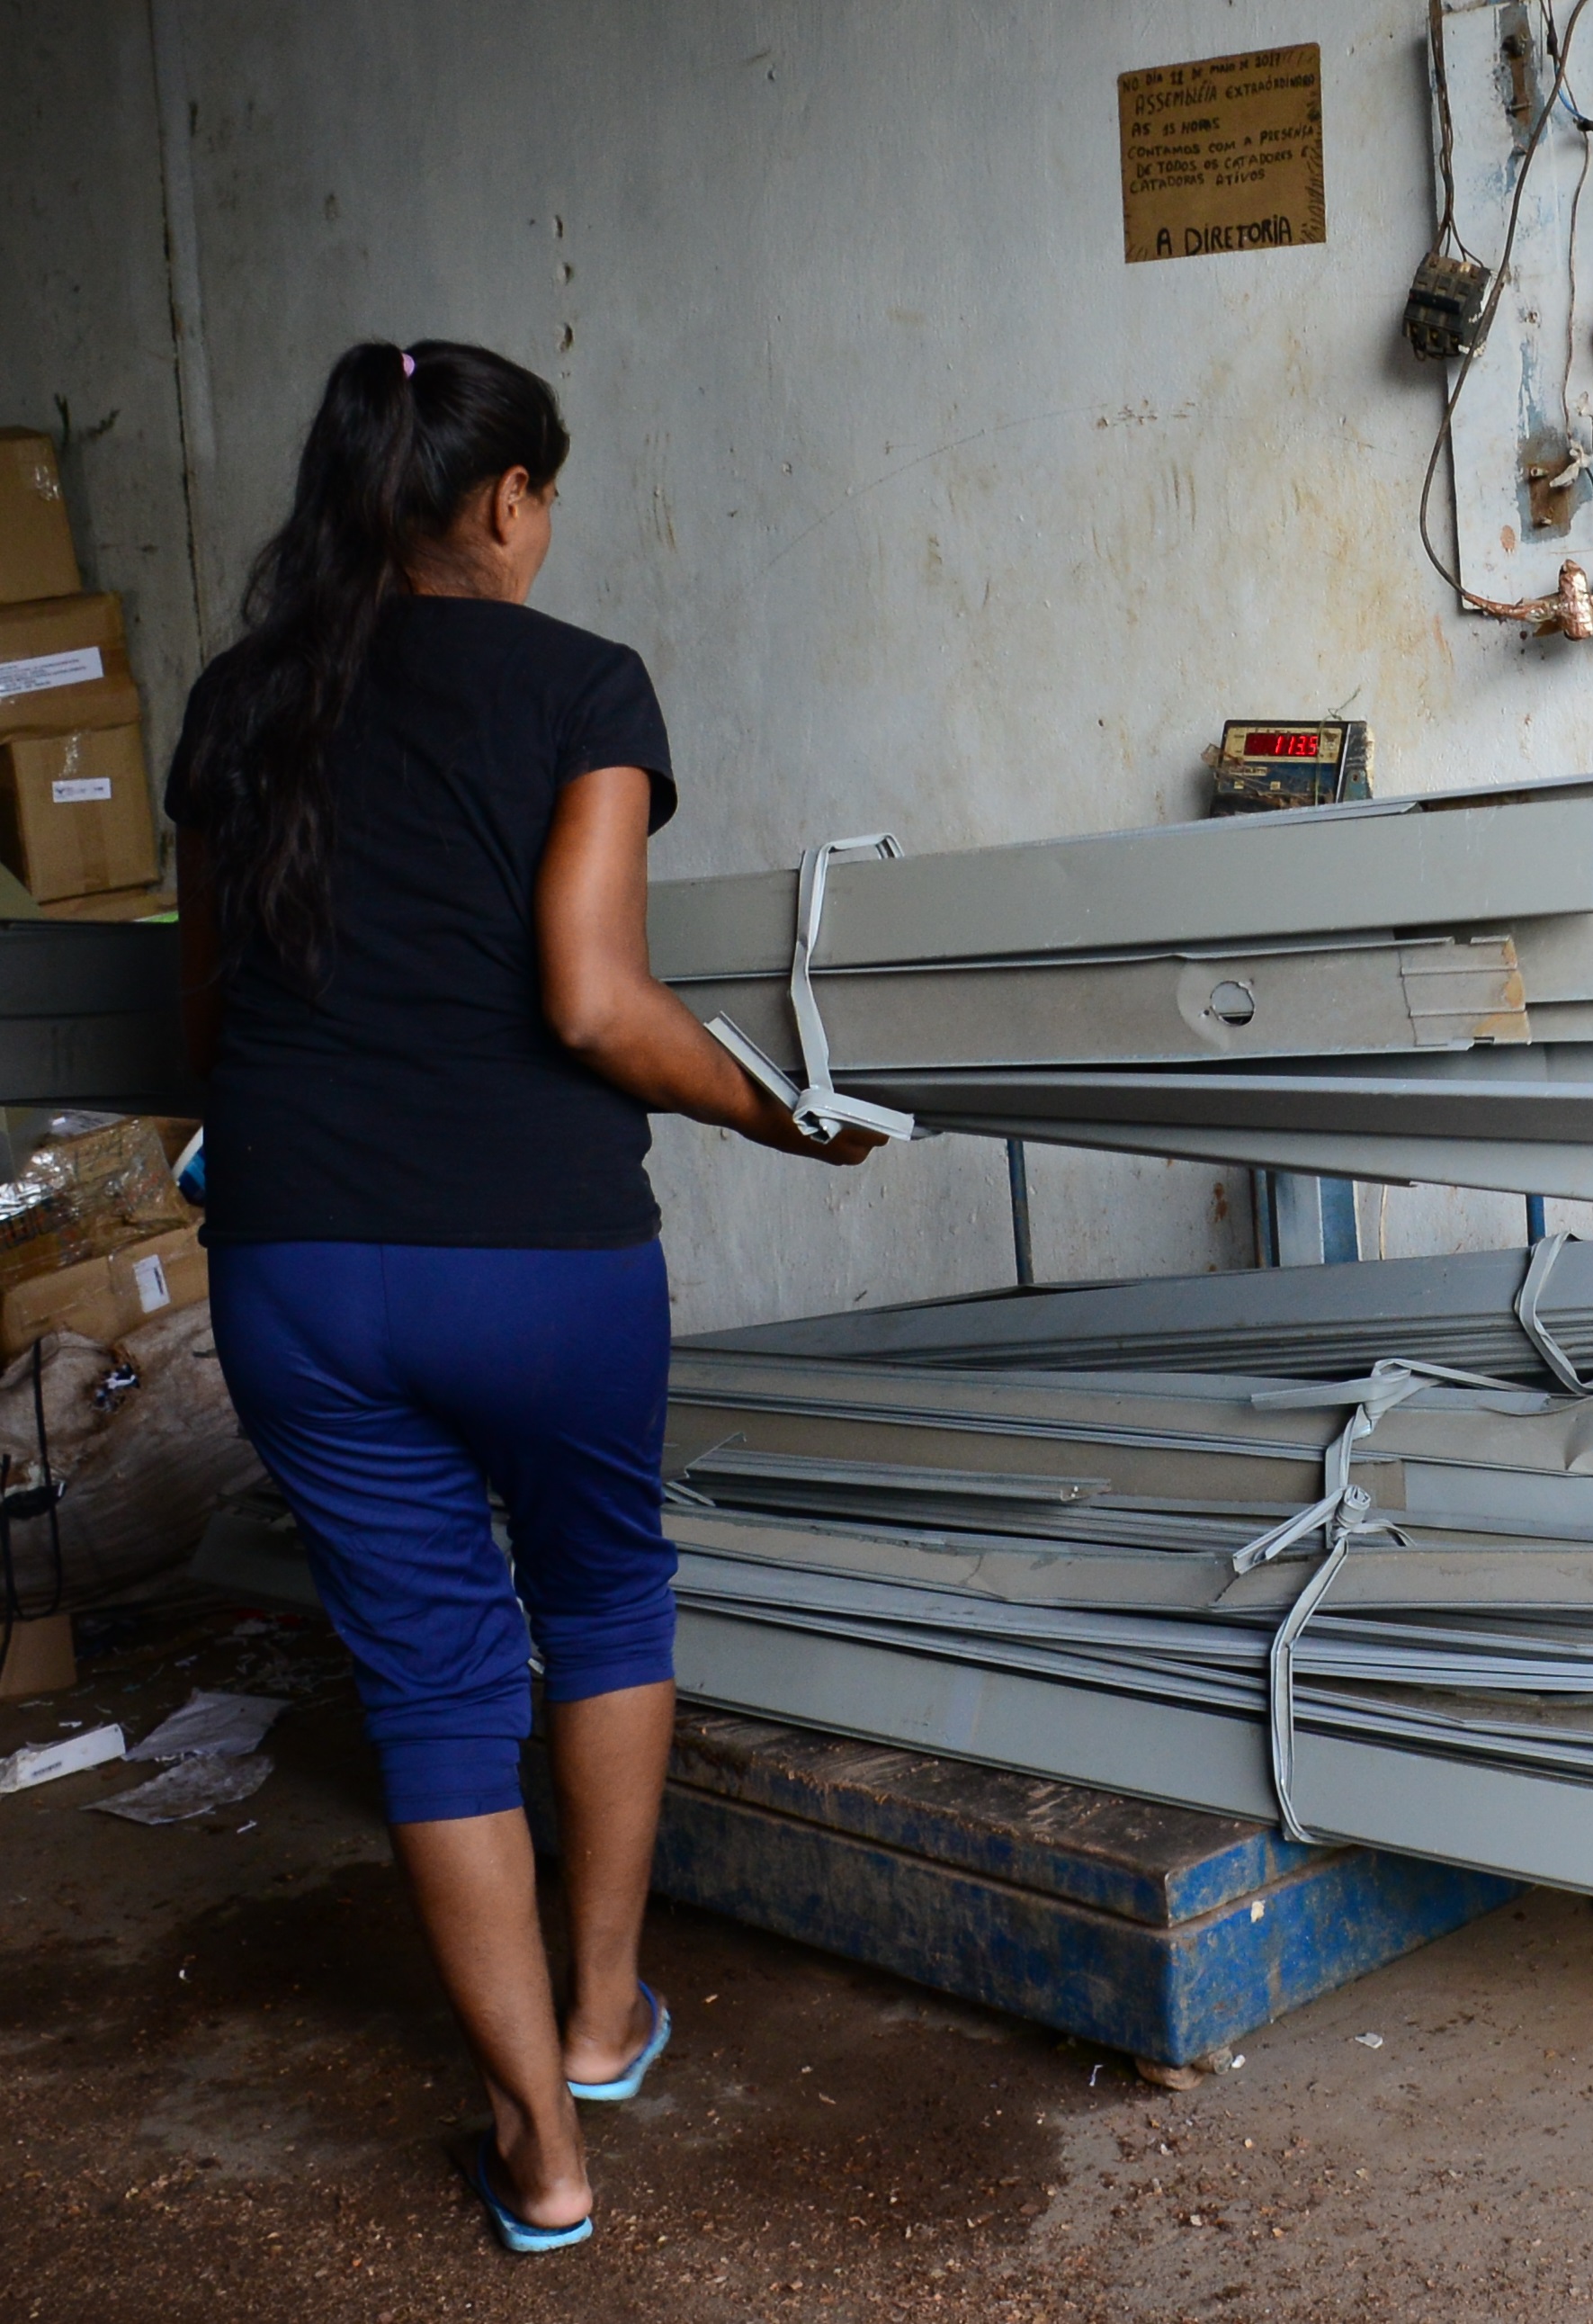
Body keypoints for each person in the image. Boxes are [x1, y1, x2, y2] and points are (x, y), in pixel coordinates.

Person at [166, 339, 874, 2252]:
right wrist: (788, 1118)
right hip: (539, 1263)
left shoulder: (239, 702)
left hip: (294, 1271)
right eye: (543, 493)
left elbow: (206, 1020)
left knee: (429, 1685)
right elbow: (594, 999)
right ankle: (600, 2012)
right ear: (505, 499)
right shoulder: (581, 684)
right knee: (601, 1591)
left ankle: (542, 2151)